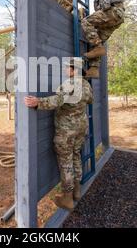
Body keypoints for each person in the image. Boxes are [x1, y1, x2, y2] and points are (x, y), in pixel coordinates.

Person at [24, 60, 93, 210]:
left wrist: (38, 102)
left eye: (68, 67)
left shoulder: (70, 84)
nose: (66, 70)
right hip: (81, 128)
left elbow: (58, 100)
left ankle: (67, 198)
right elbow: (90, 100)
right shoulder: (86, 85)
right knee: (76, 156)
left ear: (74, 70)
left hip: (66, 131)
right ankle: (77, 190)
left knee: (66, 162)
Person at [79, 0, 125, 78]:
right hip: (117, 16)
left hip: (112, 12)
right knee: (97, 37)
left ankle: (98, 47)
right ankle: (94, 69)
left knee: (86, 21)